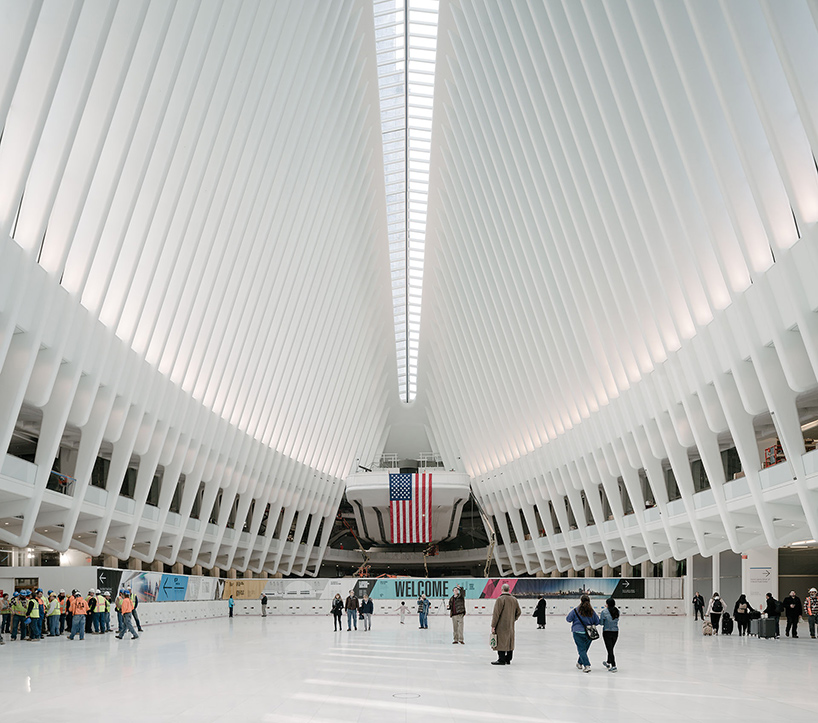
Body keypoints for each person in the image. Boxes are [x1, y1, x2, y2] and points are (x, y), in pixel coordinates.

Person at [566, 595, 600, 672]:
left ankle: (587, 665)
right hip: (589, 633)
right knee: (584, 649)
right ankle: (579, 663)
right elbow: (597, 621)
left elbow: (568, 619)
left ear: (581, 601)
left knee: (581, 650)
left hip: (577, 632)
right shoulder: (592, 611)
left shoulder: (575, 610)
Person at [491, 583, 521, 665]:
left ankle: (501, 659)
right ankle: (508, 659)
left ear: (501, 590)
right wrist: (513, 619)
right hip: (510, 625)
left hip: (501, 625)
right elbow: (519, 612)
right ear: (509, 590)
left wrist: (493, 625)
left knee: (501, 641)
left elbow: (496, 614)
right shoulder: (514, 599)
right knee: (509, 641)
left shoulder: (500, 599)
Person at [600, 598, 619, 672]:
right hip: (615, 632)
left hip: (607, 632)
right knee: (611, 648)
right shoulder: (617, 611)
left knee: (610, 649)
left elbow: (601, 623)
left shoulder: (604, 612)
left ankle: (614, 665)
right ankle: (608, 662)